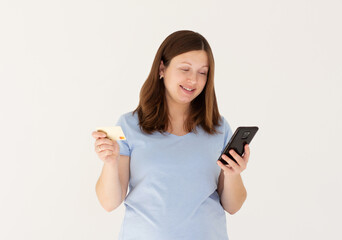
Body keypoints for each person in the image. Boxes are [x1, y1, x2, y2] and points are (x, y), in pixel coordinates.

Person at [92, 30, 250, 240]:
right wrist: (110, 162)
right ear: (162, 68)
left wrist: (233, 174)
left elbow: (233, 206)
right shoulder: (127, 126)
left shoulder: (218, 127)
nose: (193, 80)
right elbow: (109, 203)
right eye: (185, 69)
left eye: (202, 72)